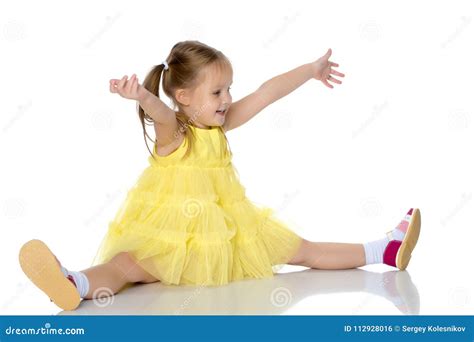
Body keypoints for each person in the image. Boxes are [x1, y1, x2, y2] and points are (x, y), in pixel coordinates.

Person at [18, 40, 421, 311]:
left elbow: (267, 92)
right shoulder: (174, 132)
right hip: (172, 240)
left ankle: (383, 250)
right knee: (124, 266)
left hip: (228, 234)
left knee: (304, 250)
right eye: (217, 93)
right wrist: (141, 96)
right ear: (183, 97)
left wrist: (310, 69)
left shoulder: (219, 127)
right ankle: (75, 283)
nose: (228, 100)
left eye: (229, 89)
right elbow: (157, 112)